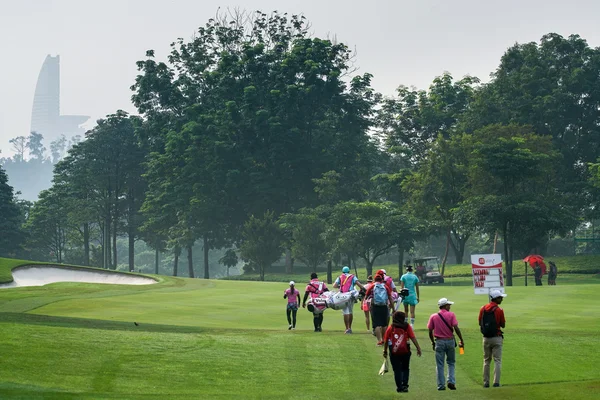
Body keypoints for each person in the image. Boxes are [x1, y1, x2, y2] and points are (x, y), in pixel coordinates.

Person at [427, 297, 464, 391]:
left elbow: (430, 330)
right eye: (449, 305)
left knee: (440, 364)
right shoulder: (451, 315)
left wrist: (432, 342)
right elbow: (456, 328)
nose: (450, 306)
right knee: (451, 362)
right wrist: (461, 339)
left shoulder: (433, 316)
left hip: (439, 341)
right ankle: (451, 381)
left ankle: (441, 385)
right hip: (450, 341)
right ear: (445, 305)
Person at [383, 311, 422, 393]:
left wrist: (385, 351)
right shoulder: (406, 326)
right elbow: (413, 337)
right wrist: (418, 348)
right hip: (406, 350)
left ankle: (399, 387)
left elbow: (386, 340)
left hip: (394, 351)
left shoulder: (391, 327)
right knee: (405, 368)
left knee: (397, 370)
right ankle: (405, 385)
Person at [478, 289, 507, 388]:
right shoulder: (499, 310)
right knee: (497, 360)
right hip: (496, 337)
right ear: (496, 298)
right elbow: (503, 325)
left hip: (486, 338)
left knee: (486, 360)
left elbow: (479, 322)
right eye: (500, 298)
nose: (502, 299)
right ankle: (496, 382)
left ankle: (486, 382)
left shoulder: (483, 308)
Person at [333, 266, 365, 334]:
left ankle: (346, 328)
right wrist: (364, 289)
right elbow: (359, 284)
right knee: (350, 311)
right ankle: (350, 328)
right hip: (350, 295)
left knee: (345, 312)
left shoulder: (340, 277)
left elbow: (334, 285)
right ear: (349, 271)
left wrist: (340, 286)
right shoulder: (352, 276)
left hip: (342, 295)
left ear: (342, 271)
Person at [364, 274, 395, 345]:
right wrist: (393, 308)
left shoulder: (372, 286)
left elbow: (366, 297)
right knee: (384, 324)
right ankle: (384, 339)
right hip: (384, 307)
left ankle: (379, 340)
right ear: (381, 280)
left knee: (376, 324)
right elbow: (390, 298)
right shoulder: (385, 286)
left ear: (374, 280)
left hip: (375, 307)